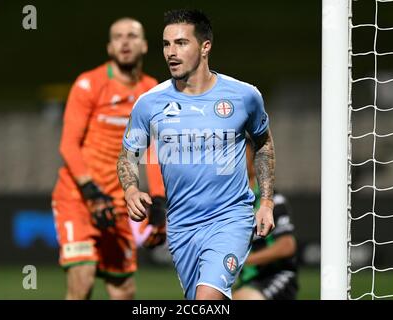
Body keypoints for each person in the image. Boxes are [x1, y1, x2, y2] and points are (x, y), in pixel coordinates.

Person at [117, 9, 276, 300]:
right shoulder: (150, 103)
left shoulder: (243, 96)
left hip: (231, 218)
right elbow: (128, 154)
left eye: (181, 43)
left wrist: (265, 201)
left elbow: (263, 143)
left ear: (205, 47)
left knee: (207, 298)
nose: (170, 53)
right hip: (181, 226)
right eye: (166, 44)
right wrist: (130, 190)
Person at [51, 17, 166, 300]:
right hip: (78, 198)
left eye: (132, 36)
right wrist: (91, 191)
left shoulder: (152, 90)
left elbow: (153, 151)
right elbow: (68, 145)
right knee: (83, 279)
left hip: (118, 202)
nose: (125, 42)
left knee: (123, 289)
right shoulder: (89, 84)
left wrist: (160, 200)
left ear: (144, 46)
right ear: (109, 47)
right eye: (118, 37)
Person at [233, 136, 298, 300]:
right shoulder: (227, 203)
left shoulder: (271, 200)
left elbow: (287, 246)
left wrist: (245, 261)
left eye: (241, 155)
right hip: (247, 282)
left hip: (276, 277)